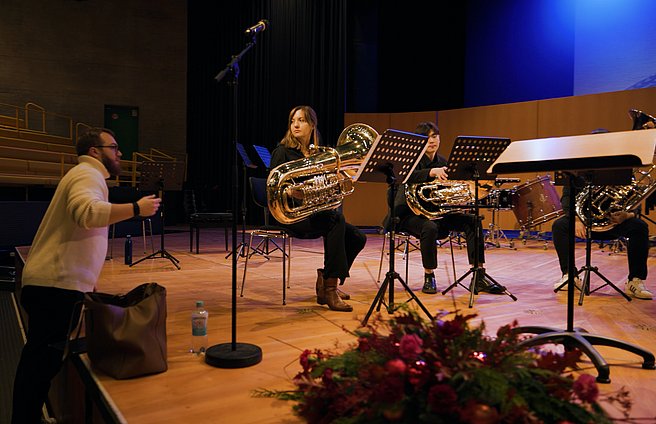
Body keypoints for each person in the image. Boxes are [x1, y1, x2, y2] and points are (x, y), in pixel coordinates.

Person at [12, 128, 161, 423]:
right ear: (95, 151)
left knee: (40, 364)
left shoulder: (84, 175)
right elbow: (87, 213)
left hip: (53, 283)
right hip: (55, 285)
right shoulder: (87, 175)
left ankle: (27, 417)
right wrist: (136, 208)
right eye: (114, 147)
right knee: (39, 365)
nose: (120, 154)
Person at [386, 121, 505, 295]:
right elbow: (402, 177)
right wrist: (431, 173)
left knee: (473, 221)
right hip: (407, 215)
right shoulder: (410, 161)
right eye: (426, 138)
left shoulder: (442, 161)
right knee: (429, 227)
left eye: (434, 136)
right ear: (419, 142)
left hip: (436, 212)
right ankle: (429, 275)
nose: (431, 141)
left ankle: (478, 275)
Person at [269, 105, 367, 312]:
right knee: (336, 220)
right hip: (294, 215)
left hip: (316, 212)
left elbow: (327, 182)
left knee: (358, 237)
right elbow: (274, 187)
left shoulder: (320, 154)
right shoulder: (282, 152)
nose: (296, 124)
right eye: (293, 120)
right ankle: (330, 290)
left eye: (302, 120)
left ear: (312, 125)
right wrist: (290, 192)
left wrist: (339, 180)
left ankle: (326, 278)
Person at [551, 181, 652, 300]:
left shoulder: (622, 170)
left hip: (614, 222)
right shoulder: (579, 171)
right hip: (584, 222)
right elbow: (567, 199)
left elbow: (635, 199)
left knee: (639, 226)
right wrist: (576, 219)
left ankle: (635, 281)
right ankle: (570, 276)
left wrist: (627, 215)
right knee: (559, 226)